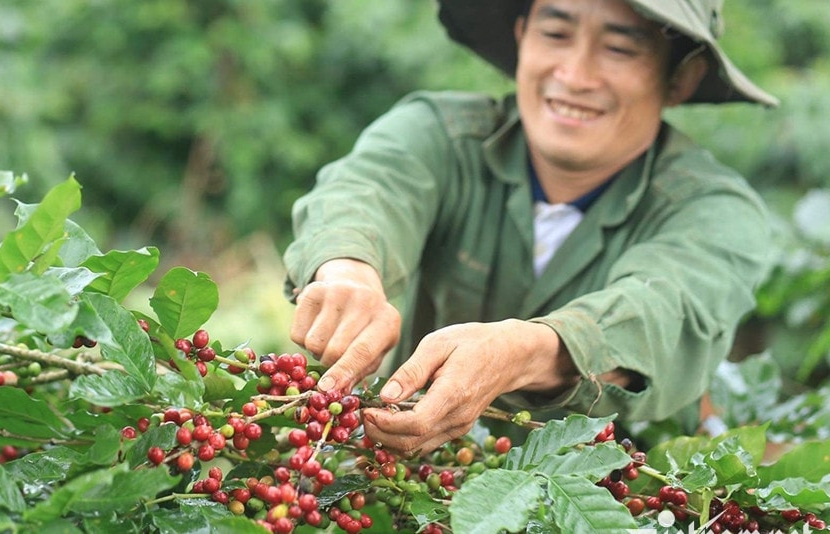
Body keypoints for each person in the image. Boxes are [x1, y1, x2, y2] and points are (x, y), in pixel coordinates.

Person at [282, 0, 779, 456]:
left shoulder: (715, 211)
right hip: (404, 482)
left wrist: (527, 353)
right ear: (522, 36)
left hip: (626, 503)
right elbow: (367, 192)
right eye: (556, 34)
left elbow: (662, 314)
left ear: (681, 78)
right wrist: (348, 270)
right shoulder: (439, 135)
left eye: (619, 48)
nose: (575, 75)